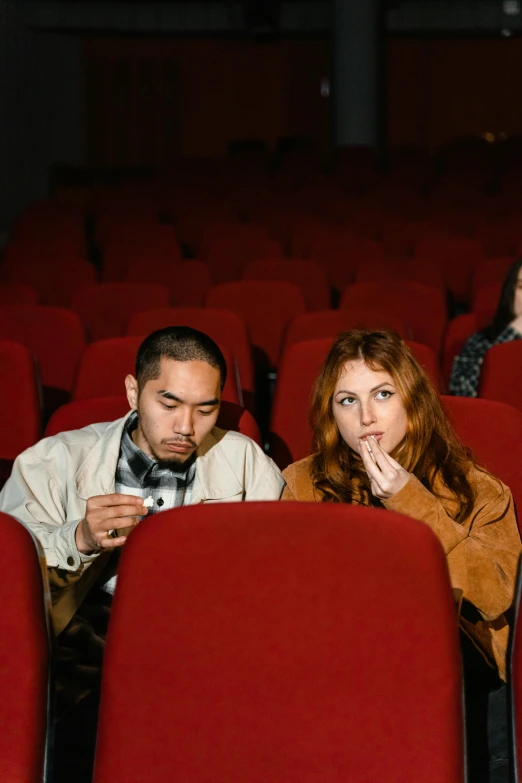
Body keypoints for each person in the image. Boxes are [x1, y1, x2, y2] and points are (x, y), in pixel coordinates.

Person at [0, 325, 284, 781]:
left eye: (205, 409)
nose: (185, 428)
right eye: (168, 404)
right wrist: (78, 538)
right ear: (134, 391)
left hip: (203, 643)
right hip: (84, 638)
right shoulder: (53, 460)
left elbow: (280, 578)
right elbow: (8, 578)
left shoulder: (247, 462)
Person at [281, 328, 521, 783]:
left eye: (383, 394)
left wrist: (410, 499)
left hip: (457, 675)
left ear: (411, 400)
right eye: (347, 400)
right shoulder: (302, 483)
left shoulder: (478, 489)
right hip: (340, 673)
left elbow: (494, 596)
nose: (367, 416)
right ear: (331, 414)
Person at [450, 257, 522, 396]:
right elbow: (463, 392)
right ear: (511, 292)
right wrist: (513, 333)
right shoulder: (481, 341)